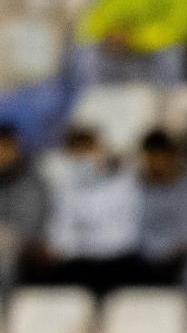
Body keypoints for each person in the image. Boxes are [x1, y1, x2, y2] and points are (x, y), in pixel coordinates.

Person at [29, 127, 143, 296]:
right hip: (79, 263)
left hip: (120, 260)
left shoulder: (127, 184)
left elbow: (125, 236)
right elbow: (61, 233)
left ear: (101, 151)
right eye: (77, 154)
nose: (83, 159)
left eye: (87, 151)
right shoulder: (65, 190)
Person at [75, 0, 187, 86]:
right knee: (87, 49)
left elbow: (184, 30)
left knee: (174, 53)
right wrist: (110, 34)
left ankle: (167, 108)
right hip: (123, 53)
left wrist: (134, 39)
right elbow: (97, 22)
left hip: (156, 55)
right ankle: (94, 103)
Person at [135, 130, 187, 285]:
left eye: (160, 159)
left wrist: (165, 251)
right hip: (145, 263)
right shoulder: (136, 187)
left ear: (173, 157)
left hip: (186, 262)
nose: (156, 166)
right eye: (150, 160)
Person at [0, 123, 48, 288]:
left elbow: (30, 228)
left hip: (22, 252)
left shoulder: (31, 183)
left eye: (6, 147)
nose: (2, 153)